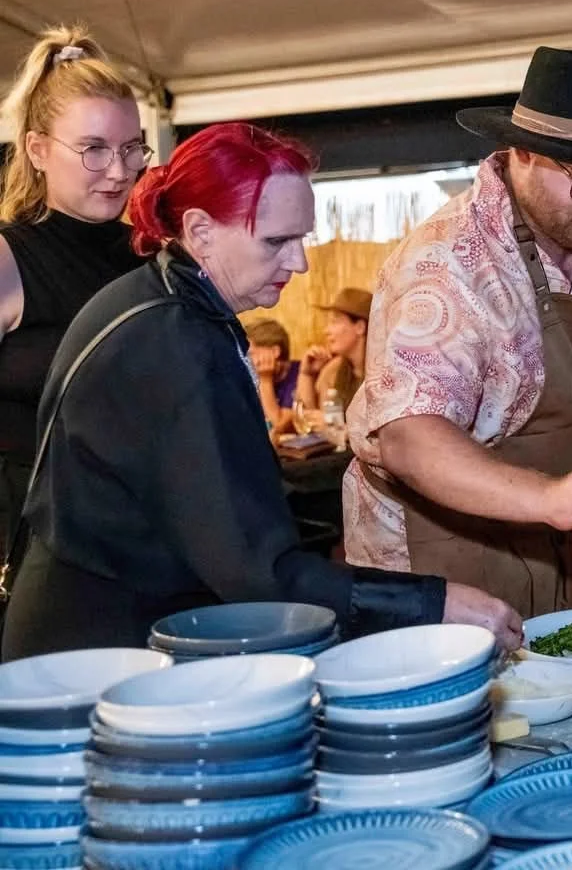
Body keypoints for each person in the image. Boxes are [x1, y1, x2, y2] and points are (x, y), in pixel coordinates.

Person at [0, 123, 522, 661]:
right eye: (276, 240)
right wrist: (432, 605)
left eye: (302, 238)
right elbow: (258, 572)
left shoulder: (165, 300)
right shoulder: (175, 341)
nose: (299, 262)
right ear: (199, 231)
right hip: (94, 650)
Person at [343, 46, 572, 618]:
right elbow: (408, 440)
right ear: (524, 152)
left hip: (540, 522)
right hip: (432, 535)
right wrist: (551, 496)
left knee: (546, 684)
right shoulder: (447, 262)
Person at [0, 27, 146, 591]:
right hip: (29, 546)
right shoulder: (10, 258)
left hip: (137, 535)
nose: (119, 169)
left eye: (132, 147)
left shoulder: (151, 257)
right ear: (38, 150)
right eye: (94, 150)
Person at [296, 287, 370, 416]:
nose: (327, 331)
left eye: (335, 322)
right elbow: (309, 419)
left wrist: (333, 426)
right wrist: (307, 374)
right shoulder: (334, 370)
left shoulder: (386, 372)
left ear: (360, 327)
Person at [244, 318, 300, 438]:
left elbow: (279, 424)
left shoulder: (299, 375)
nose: (246, 361)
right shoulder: (251, 378)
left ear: (275, 352)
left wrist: (265, 380)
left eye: (251, 354)